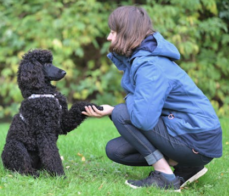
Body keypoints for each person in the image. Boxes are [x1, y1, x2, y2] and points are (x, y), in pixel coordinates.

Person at [82, 5, 222, 192]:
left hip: (197, 139)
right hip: (191, 133)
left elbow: (143, 119)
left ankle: (165, 176)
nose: (108, 37)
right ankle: (188, 167)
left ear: (126, 33)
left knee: (122, 113)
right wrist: (115, 109)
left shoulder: (150, 65)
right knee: (116, 150)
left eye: (113, 32)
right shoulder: (142, 58)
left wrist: (118, 108)